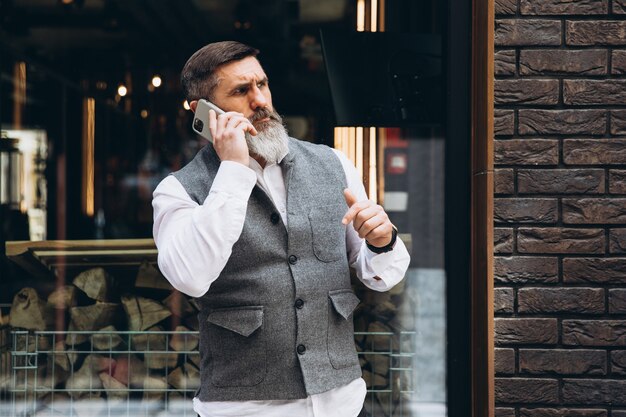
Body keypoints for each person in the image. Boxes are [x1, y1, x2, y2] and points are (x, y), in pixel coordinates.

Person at [152, 41, 410, 417]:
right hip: (243, 407)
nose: (260, 101)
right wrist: (235, 171)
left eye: (263, 84)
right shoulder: (178, 189)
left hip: (339, 400)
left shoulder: (333, 163)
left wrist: (383, 241)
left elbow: (381, 276)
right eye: (241, 91)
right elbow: (190, 278)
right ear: (203, 112)